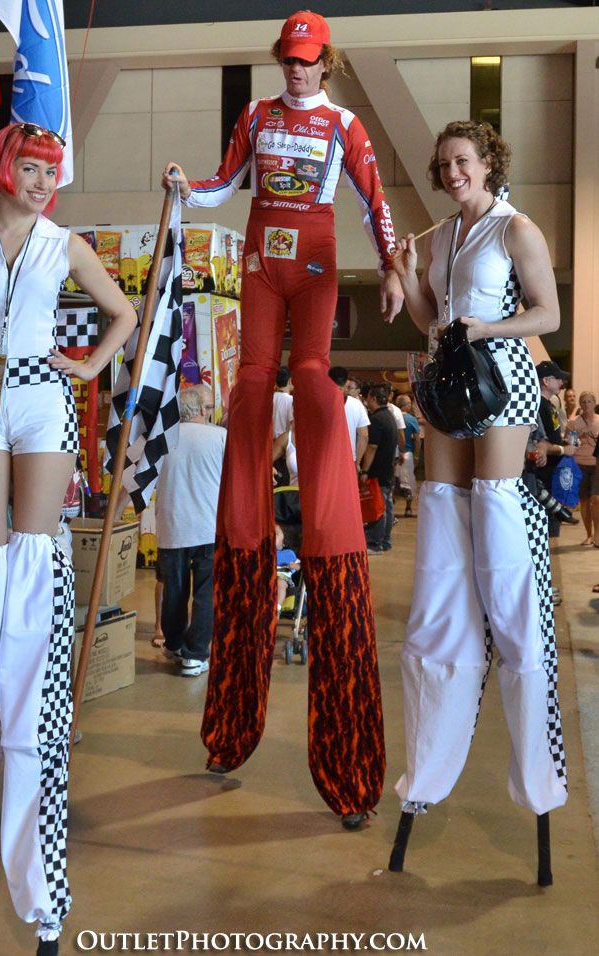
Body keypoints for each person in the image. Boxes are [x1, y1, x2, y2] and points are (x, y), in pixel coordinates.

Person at [162, 9, 401, 825]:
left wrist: (394, 270)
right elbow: (224, 184)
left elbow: (376, 203)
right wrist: (181, 190)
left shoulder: (343, 123)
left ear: (325, 63)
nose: (297, 73)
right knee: (252, 382)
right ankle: (250, 497)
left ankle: (323, 484)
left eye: (307, 63)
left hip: (319, 256)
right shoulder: (257, 116)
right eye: (288, 62)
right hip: (264, 255)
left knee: (311, 376)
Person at [0, 123, 138, 956]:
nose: (45, 182)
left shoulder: (65, 244)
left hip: (42, 396)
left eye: (54, 171)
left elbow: (122, 314)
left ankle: (30, 692)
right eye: (34, 169)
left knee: (36, 559)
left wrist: (86, 368)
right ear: (5, 170)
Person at [390, 120, 567, 863]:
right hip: (446, 387)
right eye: (444, 163)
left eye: (464, 160)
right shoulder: (436, 238)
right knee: (442, 538)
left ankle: (519, 667)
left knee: (496, 526)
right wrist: (405, 283)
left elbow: (549, 316)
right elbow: (434, 328)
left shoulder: (515, 227)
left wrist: (488, 325)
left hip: (502, 381)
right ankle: (430, 757)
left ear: (490, 162)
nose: (453, 170)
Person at [156, 388, 226, 676]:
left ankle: (173, 644)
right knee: (205, 593)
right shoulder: (220, 437)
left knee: (173, 590)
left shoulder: (161, 439)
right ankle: (195, 654)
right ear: (200, 410)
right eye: (208, 407)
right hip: (209, 527)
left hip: (171, 526)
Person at [536, 360, 578, 541]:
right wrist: (563, 449)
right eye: (558, 379)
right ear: (546, 381)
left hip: (553, 473)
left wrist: (565, 443)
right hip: (543, 474)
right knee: (544, 530)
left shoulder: (550, 405)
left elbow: (550, 437)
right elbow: (540, 443)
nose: (562, 383)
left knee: (552, 530)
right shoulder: (538, 405)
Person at [362, 384, 398, 553]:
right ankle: (385, 540)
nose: (366, 400)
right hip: (388, 469)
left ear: (374, 398)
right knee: (387, 507)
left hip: (378, 470)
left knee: (378, 507)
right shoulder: (390, 416)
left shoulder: (377, 419)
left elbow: (372, 447)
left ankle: (375, 543)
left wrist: (365, 470)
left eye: (367, 397)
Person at [567, 390, 599, 546]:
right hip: (579, 464)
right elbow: (570, 444)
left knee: (596, 499)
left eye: (589, 402)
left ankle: (598, 534)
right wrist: (580, 435)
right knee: (585, 501)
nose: (587, 405)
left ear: (594, 403)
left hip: (596, 464)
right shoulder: (574, 423)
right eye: (584, 402)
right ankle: (589, 534)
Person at [328, 365, 369, 471]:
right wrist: (357, 462)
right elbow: (364, 436)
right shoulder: (357, 405)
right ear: (346, 382)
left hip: (325, 459)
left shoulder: (319, 401)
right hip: (348, 459)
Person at [395, 393, 421, 516]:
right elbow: (417, 440)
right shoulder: (412, 420)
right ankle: (408, 508)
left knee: (392, 481)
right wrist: (416, 456)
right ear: (406, 405)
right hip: (407, 454)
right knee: (409, 481)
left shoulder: (392, 416)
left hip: (393, 453)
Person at [275, 523, 300, 615]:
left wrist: (295, 566)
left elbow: (300, 565)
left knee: (280, 583)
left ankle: (277, 608)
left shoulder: (288, 554)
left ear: (284, 541)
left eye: (275, 534)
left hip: (283, 578)